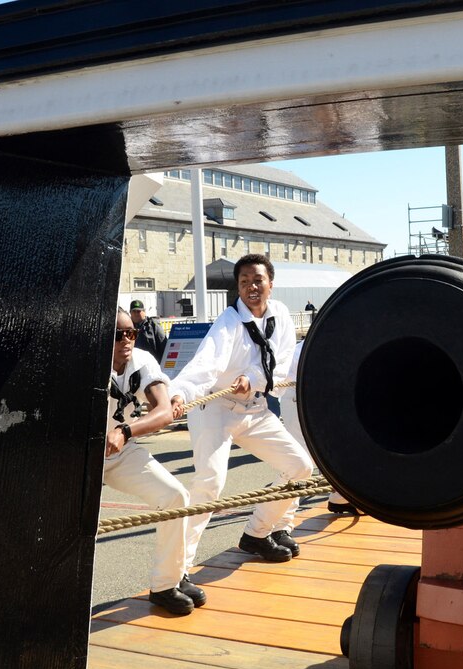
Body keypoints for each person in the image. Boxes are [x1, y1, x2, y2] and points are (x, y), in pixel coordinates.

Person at [169, 254, 314, 570]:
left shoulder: (280, 318)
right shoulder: (229, 322)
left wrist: (254, 378)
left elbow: (282, 357)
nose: (252, 287)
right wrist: (178, 394)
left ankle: (258, 533)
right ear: (238, 288)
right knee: (209, 484)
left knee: (300, 466)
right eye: (244, 282)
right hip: (215, 409)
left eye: (258, 280)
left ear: (270, 284)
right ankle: (173, 574)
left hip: (254, 408)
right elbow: (208, 363)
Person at [104, 309, 206, 615]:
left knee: (175, 496)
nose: (126, 340)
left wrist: (125, 430)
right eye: (117, 334)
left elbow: (162, 412)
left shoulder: (142, 360)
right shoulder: (83, 360)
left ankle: (167, 582)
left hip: (120, 449)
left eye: (131, 333)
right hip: (79, 454)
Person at [278, 339, 360, 518]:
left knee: (333, 451)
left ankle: (342, 496)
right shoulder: (315, 346)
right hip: (299, 397)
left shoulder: (319, 342)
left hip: (311, 397)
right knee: (301, 460)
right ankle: (281, 520)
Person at [129, 299, 169, 363]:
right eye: (134, 311)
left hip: (152, 364)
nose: (136, 314)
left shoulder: (153, 325)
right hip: (134, 365)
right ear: (130, 313)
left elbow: (164, 346)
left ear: (144, 312)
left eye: (139, 311)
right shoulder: (128, 327)